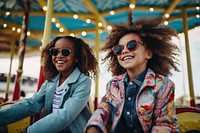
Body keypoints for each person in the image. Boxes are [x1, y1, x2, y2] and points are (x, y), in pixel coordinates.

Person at [85, 12, 180, 133]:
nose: (124, 51)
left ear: (148, 53)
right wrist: (93, 127)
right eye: (119, 49)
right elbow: (102, 111)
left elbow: (164, 124)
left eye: (131, 45)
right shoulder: (113, 85)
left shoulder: (163, 85)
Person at [0, 35, 98, 133]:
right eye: (55, 52)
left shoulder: (83, 81)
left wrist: (29, 131)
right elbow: (33, 103)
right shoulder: (51, 81)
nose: (59, 55)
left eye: (65, 52)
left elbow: (66, 114)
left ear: (76, 58)